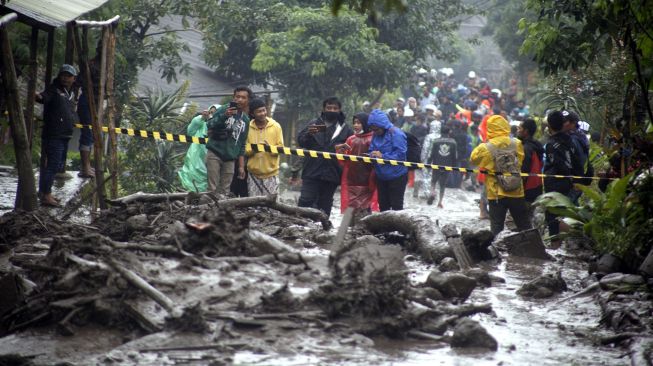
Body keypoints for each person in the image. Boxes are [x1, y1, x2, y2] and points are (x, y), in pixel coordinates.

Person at [470, 115, 532, 235]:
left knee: (496, 228)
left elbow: (473, 159)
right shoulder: (517, 143)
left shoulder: (485, 148)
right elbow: (520, 160)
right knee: (524, 225)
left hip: (496, 194)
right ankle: (533, 250)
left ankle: (497, 252)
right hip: (516, 192)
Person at [297, 96, 353, 217]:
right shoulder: (316, 124)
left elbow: (351, 150)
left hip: (332, 173)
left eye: (335, 108)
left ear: (339, 110)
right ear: (323, 109)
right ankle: (299, 226)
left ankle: (323, 229)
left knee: (325, 204)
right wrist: (309, 133)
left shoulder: (345, 129)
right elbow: (301, 141)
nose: (332, 110)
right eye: (329, 107)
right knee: (305, 200)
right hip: (312, 170)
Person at [36, 64, 80, 207]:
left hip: (64, 135)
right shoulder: (54, 89)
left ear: (73, 78)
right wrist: (37, 95)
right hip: (54, 134)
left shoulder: (71, 93)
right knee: (53, 165)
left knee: (57, 164)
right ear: (59, 76)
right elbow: (42, 97)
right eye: (63, 75)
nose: (65, 78)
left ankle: (45, 192)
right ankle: (46, 195)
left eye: (68, 76)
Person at [542, 111, 583, 247]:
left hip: (555, 183)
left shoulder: (551, 144)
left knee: (552, 215)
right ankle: (560, 243)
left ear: (549, 125)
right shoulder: (570, 139)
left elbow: (558, 164)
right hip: (568, 182)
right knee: (558, 213)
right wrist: (575, 179)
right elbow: (577, 161)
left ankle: (559, 242)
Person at [206, 86, 251, 195]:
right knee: (212, 188)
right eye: (237, 97)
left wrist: (241, 166)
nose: (240, 100)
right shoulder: (223, 109)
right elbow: (210, 124)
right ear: (234, 97)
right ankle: (207, 210)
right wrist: (224, 116)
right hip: (214, 153)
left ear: (247, 100)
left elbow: (242, 144)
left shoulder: (245, 120)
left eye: (243, 97)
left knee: (225, 190)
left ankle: (220, 211)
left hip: (230, 158)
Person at [368, 109, 408, 211]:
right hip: (381, 176)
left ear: (383, 125)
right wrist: (371, 155)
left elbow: (401, 155)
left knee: (397, 208)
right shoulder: (375, 135)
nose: (375, 132)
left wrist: (383, 156)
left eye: (377, 129)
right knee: (383, 207)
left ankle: (397, 227)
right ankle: (384, 227)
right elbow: (371, 148)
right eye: (373, 130)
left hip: (397, 176)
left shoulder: (397, 134)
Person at [338, 112, 378, 215]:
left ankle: (363, 227)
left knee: (365, 207)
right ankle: (349, 227)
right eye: (354, 122)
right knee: (351, 206)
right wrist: (340, 151)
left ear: (365, 123)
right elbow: (342, 158)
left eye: (359, 123)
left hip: (367, 180)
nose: (356, 125)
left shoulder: (373, 139)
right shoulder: (351, 139)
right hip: (351, 178)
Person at [244, 98, 284, 196]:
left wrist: (269, 148)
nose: (262, 113)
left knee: (272, 206)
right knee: (254, 207)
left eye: (264, 110)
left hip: (271, 174)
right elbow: (243, 150)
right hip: (253, 175)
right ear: (253, 114)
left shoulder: (276, 126)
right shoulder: (247, 127)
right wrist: (255, 149)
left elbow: (281, 148)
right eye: (259, 111)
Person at [178, 104, 218, 192]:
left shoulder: (221, 128)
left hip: (212, 159)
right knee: (192, 177)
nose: (212, 115)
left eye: (215, 113)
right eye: (210, 112)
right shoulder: (202, 124)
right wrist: (201, 118)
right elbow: (190, 132)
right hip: (196, 157)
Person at [427, 125, 458, 208]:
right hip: (447, 166)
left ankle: (432, 192)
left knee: (433, 181)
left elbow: (431, 153)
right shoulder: (453, 142)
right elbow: (454, 156)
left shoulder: (436, 141)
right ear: (449, 132)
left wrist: (428, 163)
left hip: (436, 164)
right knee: (442, 185)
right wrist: (454, 167)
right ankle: (440, 202)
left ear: (440, 131)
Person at [517, 118, 544, 204]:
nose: (518, 130)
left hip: (527, 188)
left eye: (520, 128)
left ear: (526, 131)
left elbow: (524, 170)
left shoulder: (526, 148)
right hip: (537, 185)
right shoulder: (536, 145)